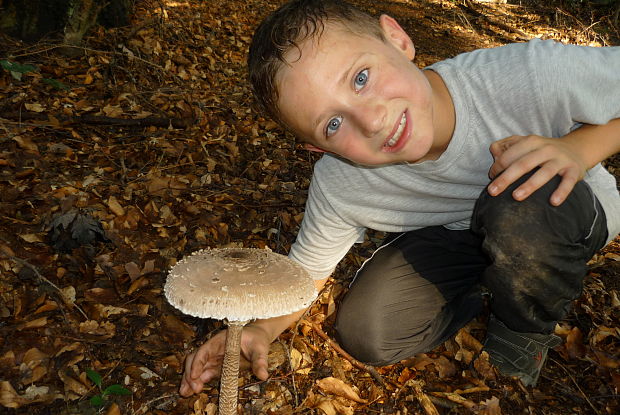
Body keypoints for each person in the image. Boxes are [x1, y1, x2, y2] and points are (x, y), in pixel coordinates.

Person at [180, 0, 620, 396]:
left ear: (398, 38)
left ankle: (522, 329)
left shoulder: (529, 74)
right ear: (320, 149)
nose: (371, 120)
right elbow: (308, 274)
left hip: (557, 210)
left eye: (361, 78)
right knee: (367, 331)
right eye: (333, 125)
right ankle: (489, 283)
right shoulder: (340, 183)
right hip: (460, 236)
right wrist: (260, 330)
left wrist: (578, 150)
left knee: (519, 201)